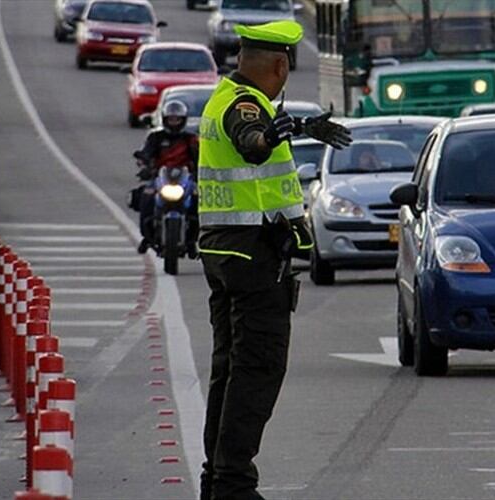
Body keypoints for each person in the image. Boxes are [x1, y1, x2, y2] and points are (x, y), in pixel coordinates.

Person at [196, 20, 351, 500]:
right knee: (258, 367)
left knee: (231, 367)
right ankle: (234, 485)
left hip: (224, 251)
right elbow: (251, 140)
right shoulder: (246, 106)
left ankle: (217, 479)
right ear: (281, 65)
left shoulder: (223, 96)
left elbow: (256, 135)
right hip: (251, 258)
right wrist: (270, 136)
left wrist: (300, 126)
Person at [134, 100, 199, 255]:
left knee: (198, 201)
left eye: (177, 119)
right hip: (161, 177)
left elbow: (199, 157)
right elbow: (146, 153)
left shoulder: (190, 139)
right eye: (171, 119)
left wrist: (200, 172)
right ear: (165, 119)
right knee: (146, 198)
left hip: (185, 178)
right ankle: (147, 237)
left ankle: (192, 240)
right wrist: (144, 164)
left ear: (183, 120)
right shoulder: (156, 137)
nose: (174, 122)